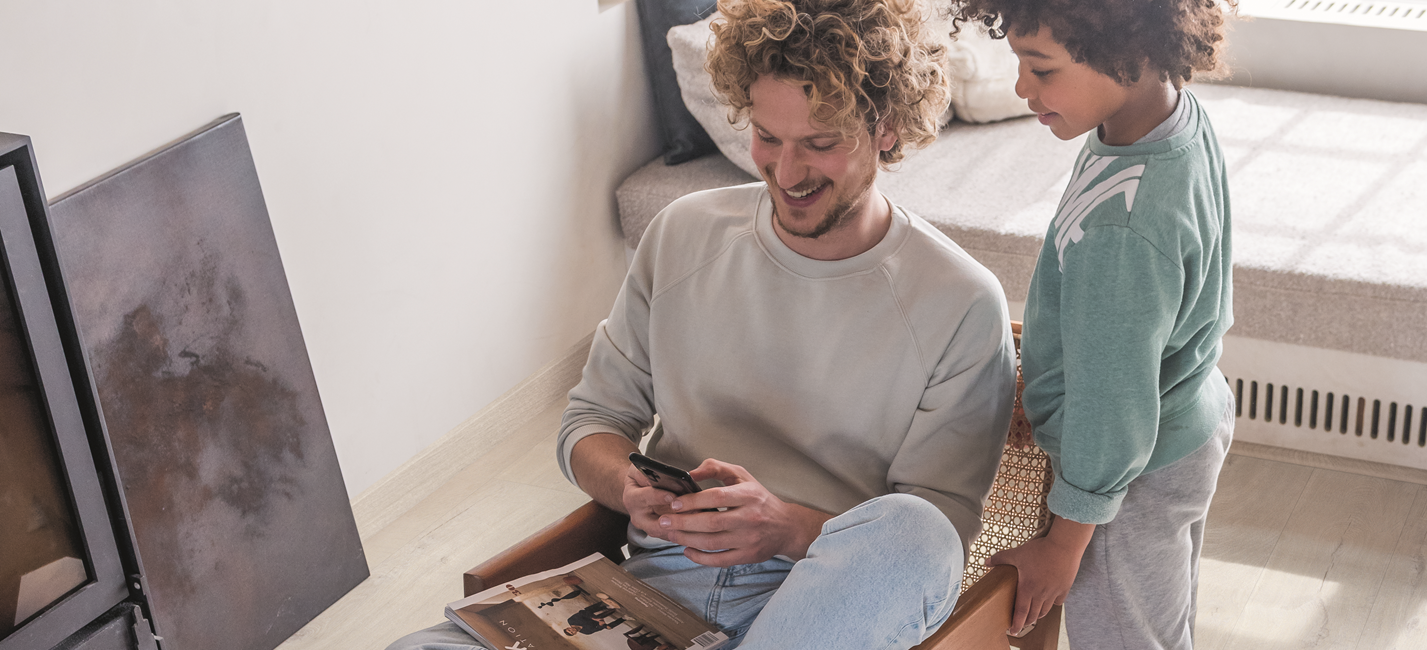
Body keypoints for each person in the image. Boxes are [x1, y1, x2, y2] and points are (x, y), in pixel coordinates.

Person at [382, 0, 1014, 648]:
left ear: (887, 128)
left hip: (814, 612)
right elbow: (590, 422)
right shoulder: (683, 234)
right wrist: (629, 487)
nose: (786, 173)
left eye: (820, 144)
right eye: (767, 136)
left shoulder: (959, 302)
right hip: (649, 599)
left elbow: (932, 543)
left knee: (916, 529)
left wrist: (785, 527)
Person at [949, 0, 1237, 647]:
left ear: (1129, 53)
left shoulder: (1122, 230)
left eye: (1042, 68)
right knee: (1156, 626)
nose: (1022, 87)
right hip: (1184, 416)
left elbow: (1112, 403)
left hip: (1132, 476)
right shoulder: (1162, 121)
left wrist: (1064, 542)